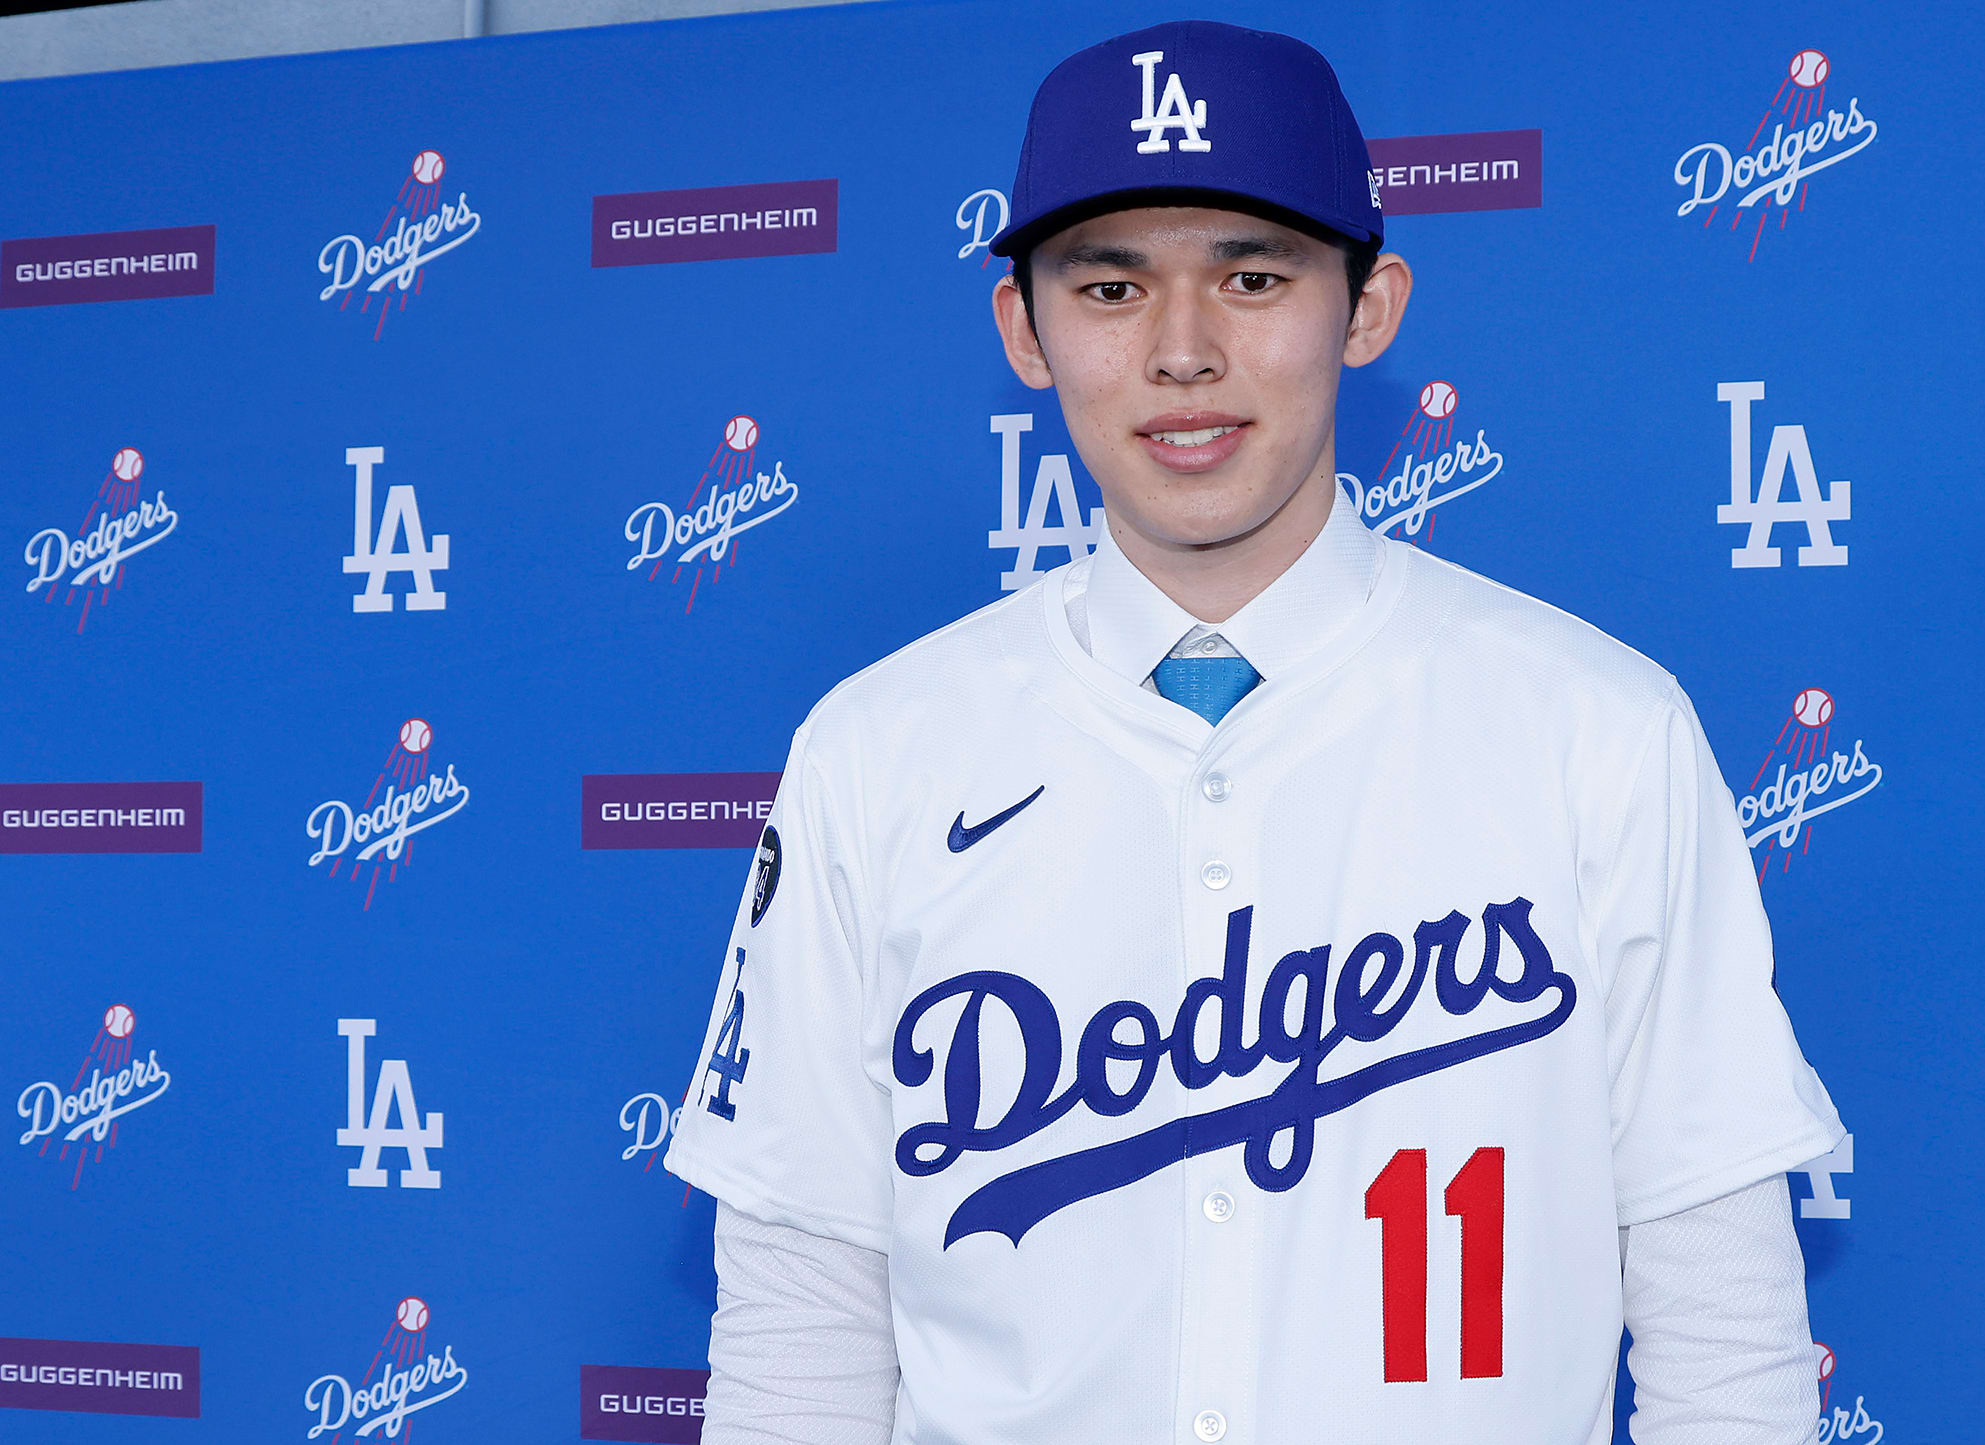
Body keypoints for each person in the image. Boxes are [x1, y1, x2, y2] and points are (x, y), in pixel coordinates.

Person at [666, 19, 1847, 1444]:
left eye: (1253, 275)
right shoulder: (875, 753)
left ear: (1369, 306)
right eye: (1111, 285)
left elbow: (1725, 1328)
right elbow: (802, 1329)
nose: (1182, 350)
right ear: (1022, 331)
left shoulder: (1598, 730)